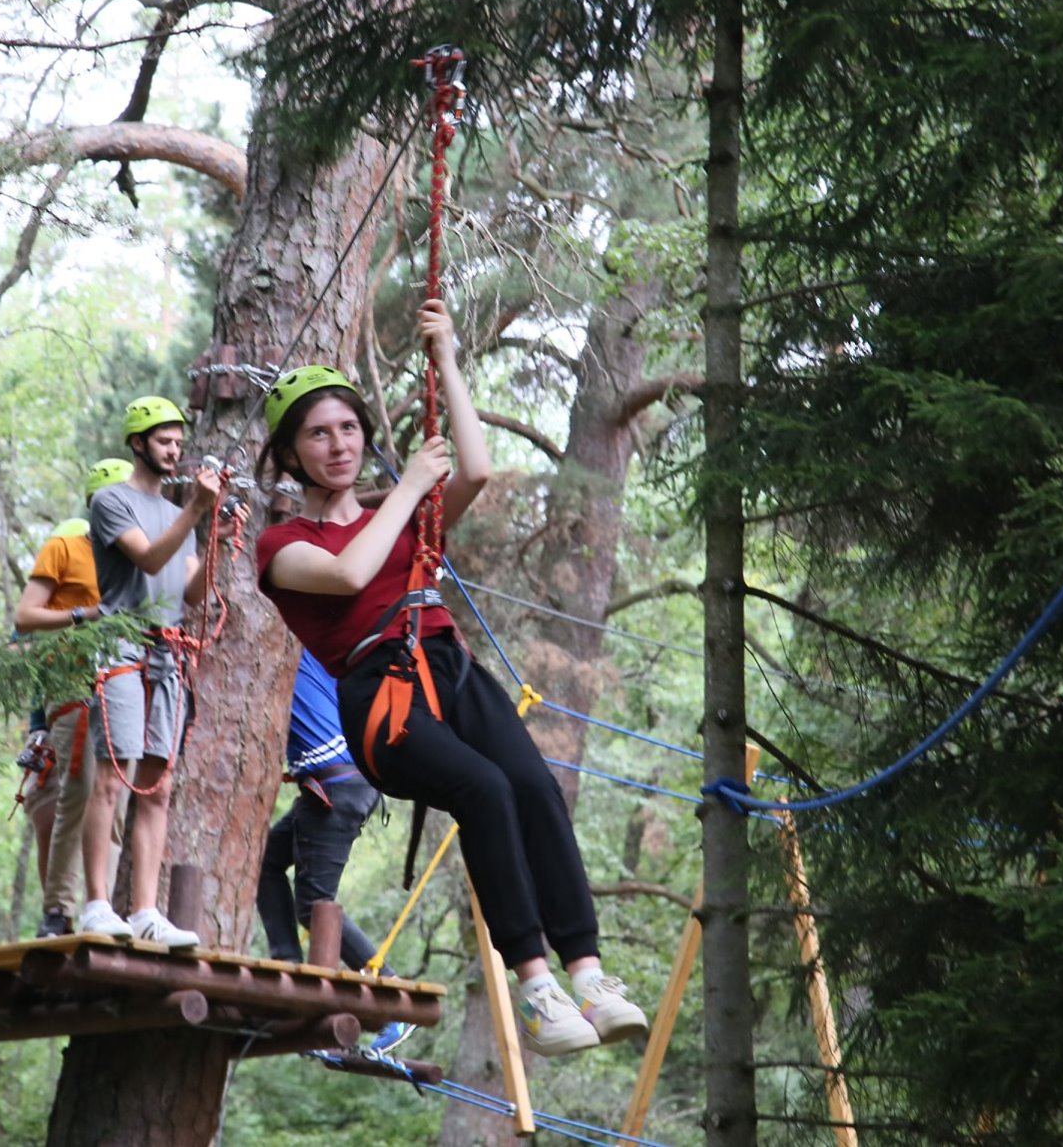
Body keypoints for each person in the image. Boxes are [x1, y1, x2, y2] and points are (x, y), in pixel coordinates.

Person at [253, 300, 649, 1057]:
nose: (339, 444)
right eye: (318, 433)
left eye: (348, 428)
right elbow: (349, 571)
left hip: (449, 667)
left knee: (533, 786)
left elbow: (475, 470)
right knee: (484, 789)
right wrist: (407, 488)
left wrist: (449, 361)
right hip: (380, 698)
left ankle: (588, 973)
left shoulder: (397, 514)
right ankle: (536, 986)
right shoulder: (283, 544)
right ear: (291, 453)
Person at [77, 395, 230, 950]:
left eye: (178, 442)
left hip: (168, 654)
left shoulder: (178, 516)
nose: (174, 450)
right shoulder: (111, 501)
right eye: (164, 441)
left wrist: (214, 541)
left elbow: (189, 591)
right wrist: (196, 510)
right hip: (122, 646)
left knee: (157, 787)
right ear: (138, 443)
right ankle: (96, 904)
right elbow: (146, 558)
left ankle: (145, 910)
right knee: (112, 777)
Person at [258, 647, 414, 1054]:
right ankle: (288, 964)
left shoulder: (289, 651)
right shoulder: (315, 654)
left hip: (336, 786)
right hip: (338, 783)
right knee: (266, 861)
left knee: (314, 905)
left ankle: (392, 996)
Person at [11, 459, 134, 938]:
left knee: (114, 802)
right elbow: (25, 619)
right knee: (78, 792)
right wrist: (85, 615)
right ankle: (58, 910)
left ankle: (100, 910)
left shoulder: (139, 559)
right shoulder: (65, 547)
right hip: (75, 684)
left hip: (126, 684)